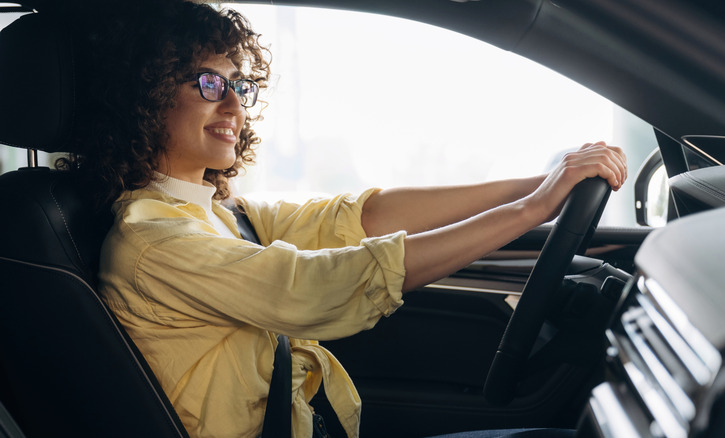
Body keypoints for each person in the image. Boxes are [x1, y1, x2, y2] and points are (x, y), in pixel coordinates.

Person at [61, 1, 628, 437]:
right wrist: (531, 210)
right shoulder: (153, 240)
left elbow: (360, 217)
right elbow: (311, 287)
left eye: (240, 86)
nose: (234, 106)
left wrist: (541, 182)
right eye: (210, 83)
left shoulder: (218, 213)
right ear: (146, 96)